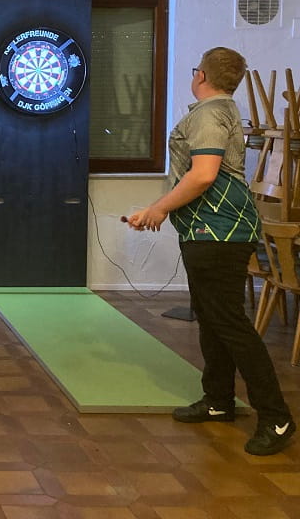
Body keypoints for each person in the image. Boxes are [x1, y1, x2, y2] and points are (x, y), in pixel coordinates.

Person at [126, 47, 295, 456]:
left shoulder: (207, 114)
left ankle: (276, 416)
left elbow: (203, 175)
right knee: (213, 319)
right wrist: (162, 211)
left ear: (201, 75)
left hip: (218, 234)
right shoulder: (223, 110)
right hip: (211, 232)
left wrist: (158, 209)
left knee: (230, 323)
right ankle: (218, 400)